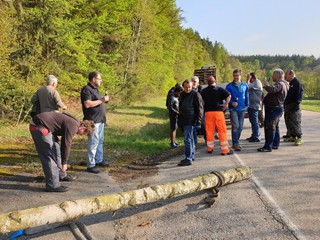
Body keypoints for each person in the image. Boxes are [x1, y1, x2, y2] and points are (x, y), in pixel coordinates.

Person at [29, 112, 94, 192]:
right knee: (50, 155)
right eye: (84, 133)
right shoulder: (74, 126)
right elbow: (66, 144)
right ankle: (52, 185)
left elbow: (64, 114)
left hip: (44, 125)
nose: (81, 135)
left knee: (56, 149)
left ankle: (61, 175)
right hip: (39, 126)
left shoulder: (76, 122)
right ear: (83, 127)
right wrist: (64, 163)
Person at [81, 71, 110, 174]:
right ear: (93, 79)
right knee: (93, 142)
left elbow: (98, 102)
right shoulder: (86, 89)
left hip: (100, 120)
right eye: (99, 79)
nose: (100, 81)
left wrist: (103, 100)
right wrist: (102, 100)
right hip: (92, 121)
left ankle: (99, 160)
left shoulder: (96, 90)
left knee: (100, 141)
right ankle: (91, 164)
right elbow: (87, 104)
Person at [257, 69, 289, 152]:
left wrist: (267, 86)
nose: (272, 77)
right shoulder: (284, 84)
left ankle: (268, 146)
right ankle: (275, 144)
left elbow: (273, 90)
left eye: (273, 76)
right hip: (276, 108)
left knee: (270, 127)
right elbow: (274, 90)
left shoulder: (280, 84)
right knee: (275, 127)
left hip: (274, 109)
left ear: (276, 76)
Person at [201, 76, 233, 155]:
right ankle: (225, 150)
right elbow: (229, 95)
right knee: (221, 131)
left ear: (207, 82)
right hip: (218, 112)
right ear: (215, 81)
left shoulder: (203, 91)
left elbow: (201, 101)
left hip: (208, 113)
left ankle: (209, 148)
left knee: (209, 131)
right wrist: (225, 104)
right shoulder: (219, 89)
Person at [177, 79, 203, 166]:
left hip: (191, 119)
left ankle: (188, 158)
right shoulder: (182, 94)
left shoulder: (196, 94)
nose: (187, 89)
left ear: (192, 87)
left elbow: (200, 108)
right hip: (183, 119)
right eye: (186, 87)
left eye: (189, 87)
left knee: (187, 139)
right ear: (183, 87)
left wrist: (198, 121)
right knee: (190, 139)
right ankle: (191, 156)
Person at [226, 69, 249, 151]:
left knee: (240, 127)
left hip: (242, 108)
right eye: (234, 76)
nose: (236, 77)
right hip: (233, 109)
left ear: (240, 75)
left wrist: (247, 104)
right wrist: (232, 103)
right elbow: (226, 97)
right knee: (236, 125)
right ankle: (235, 143)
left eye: (237, 75)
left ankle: (236, 142)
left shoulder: (245, 85)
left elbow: (246, 95)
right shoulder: (229, 86)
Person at [283, 70, 304, 146]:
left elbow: (299, 96)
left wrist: (296, 104)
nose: (285, 76)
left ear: (291, 75)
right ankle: (292, 136)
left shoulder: (297, 83)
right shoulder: (290, 83)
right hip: (288, 106)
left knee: (295, 122)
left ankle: (299, 138)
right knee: (288, 121)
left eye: (286, 75)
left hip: (294, 107)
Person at [246, 72, 263, 142]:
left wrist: (247, 79)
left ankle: (257, 136)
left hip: (255, 105)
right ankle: (254, 135)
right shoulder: (254, 83)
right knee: (252, 121)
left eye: (250, 78)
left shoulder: (257, 83)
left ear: (252, 78)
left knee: (255, 121)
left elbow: (246, 87)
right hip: (251, 105)